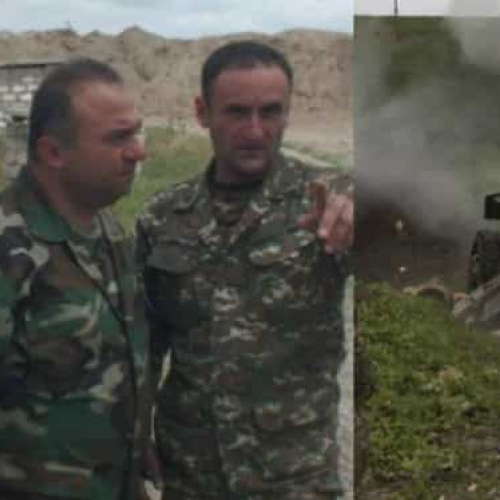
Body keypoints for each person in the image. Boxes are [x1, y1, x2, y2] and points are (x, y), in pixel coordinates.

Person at [136, 41, 353, 499]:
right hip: (192, 473)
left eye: (271, 112)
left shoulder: (327, 201)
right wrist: (136, 427)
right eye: (237, 112)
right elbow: (146, 339)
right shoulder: (162, 217)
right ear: (202, 113)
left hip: (294, 476)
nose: (255, 131)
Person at [0, 59, 155, 499]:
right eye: (118, 138)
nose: (138, 152)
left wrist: (136, 441)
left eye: (137, 132)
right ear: (54, 153)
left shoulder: (105, 226)